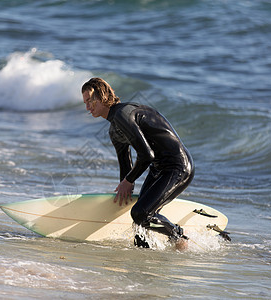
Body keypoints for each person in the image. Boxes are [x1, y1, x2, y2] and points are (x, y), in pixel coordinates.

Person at [81, 78, 194, 248]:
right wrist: (122, 191)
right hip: (159, 170)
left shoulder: (123, 114)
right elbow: (125, 166)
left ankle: (178, 236)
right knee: (139, 226)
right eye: (85, 103)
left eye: (90, 100)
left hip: (177, 167)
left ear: (103, 96)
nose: (88, 107)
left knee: (141, 214)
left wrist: (129, 181)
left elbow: (146, 155)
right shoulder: (114, 130)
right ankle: (143, 265)